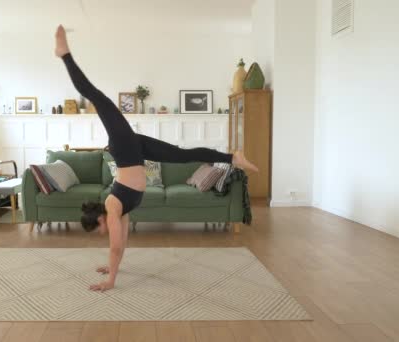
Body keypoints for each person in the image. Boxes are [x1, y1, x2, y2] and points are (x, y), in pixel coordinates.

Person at [55, 25, 258, 291]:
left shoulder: (114, 208)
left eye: (100, 229)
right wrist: (112, 266)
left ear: (101, 219)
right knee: (184, 156)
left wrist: (110, 280)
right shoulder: (118, 210)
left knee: (95, 96)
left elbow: (115, 246)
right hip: (132, 151)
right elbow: (121, 244)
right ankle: (232, 157)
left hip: (126, 150)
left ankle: (64, 53)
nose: (103, 233)